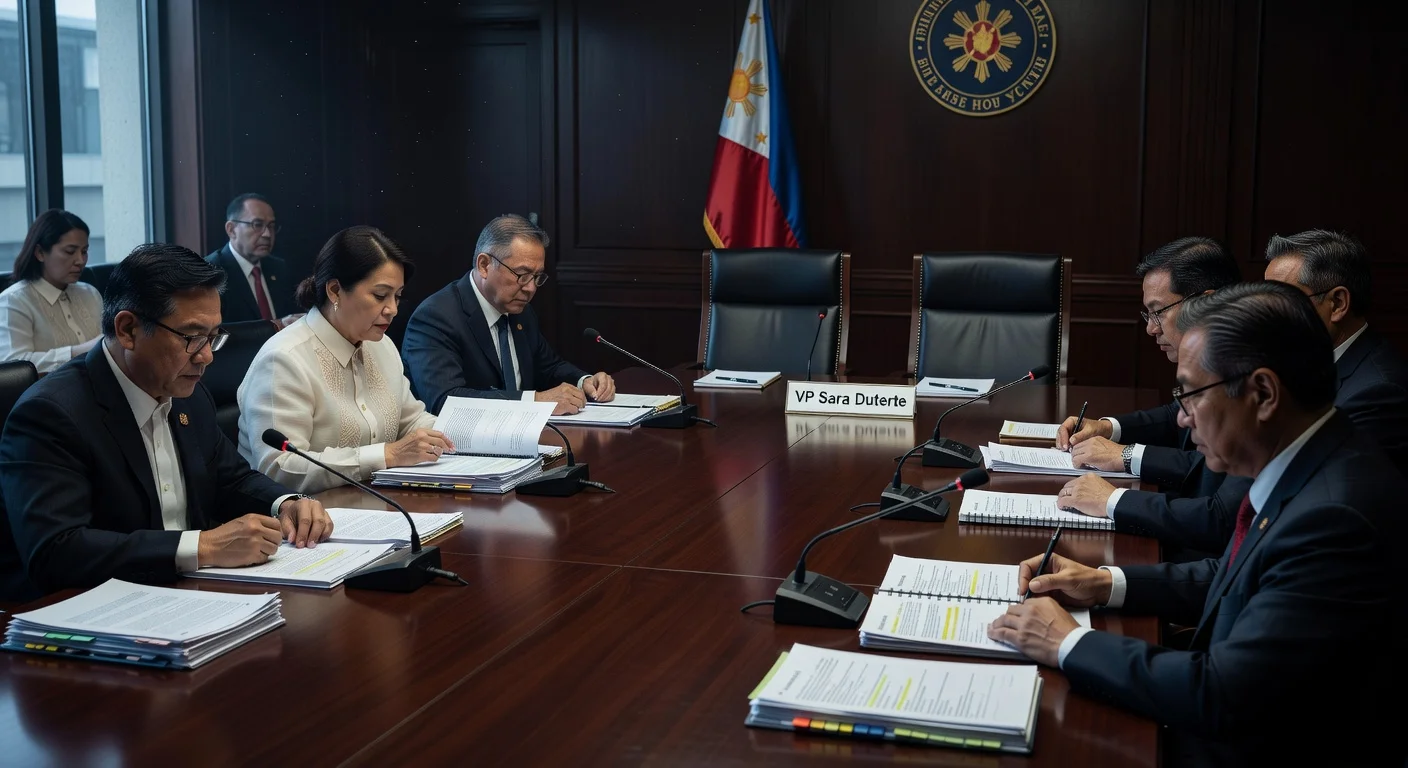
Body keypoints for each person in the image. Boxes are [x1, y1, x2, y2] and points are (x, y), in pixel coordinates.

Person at [990, 280, 1402, 766]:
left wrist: (1067, 641)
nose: (1183, 420)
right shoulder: (1315, 460)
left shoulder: (1334, 518)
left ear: (1263, 393)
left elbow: (1222, 695)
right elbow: (1235, 577)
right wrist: (1103, 583)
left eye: (1191, 395)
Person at [0, 244, 332, 601]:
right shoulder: (51, 414)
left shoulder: (188, 393)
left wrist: (285, 502)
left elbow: (230, 477)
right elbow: (57, 551)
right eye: (191, 337)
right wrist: (201, 546)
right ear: (128, 329)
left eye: (213, 337)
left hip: (191, 596)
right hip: (94, 615)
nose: (206, 356)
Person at [1052, 238, 1247, 555]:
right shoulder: (1212, 360)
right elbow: (1175, 415)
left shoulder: (1246, 371)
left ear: (1207, 303)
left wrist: (1123, 462)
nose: (1151, 329)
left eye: (1158, 313)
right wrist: (1107, 428)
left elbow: (1219, 514)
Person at [237, 226, 453, 494]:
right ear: (335, 290)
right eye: (379, 295)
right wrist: (385, 456)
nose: (393, 310)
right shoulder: (284, 359)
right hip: (301, 522)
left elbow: (411, 421)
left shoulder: (382, 345)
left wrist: (470, 437)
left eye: (397, 297)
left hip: (375, 503)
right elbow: (279, 467)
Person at [402, 214, 615, 415]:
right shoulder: (436, 317)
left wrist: (584, 382)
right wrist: (535, 401)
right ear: (484, 265)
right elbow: (445, 401)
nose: (531, 288)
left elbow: (548, 366)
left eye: (537, 276)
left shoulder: (520, 311)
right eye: (522, 275)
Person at [1264, 229, 1408, 473]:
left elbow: (1302, 477)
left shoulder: (1378, 393)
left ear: (1338, 303)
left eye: (1282, 301)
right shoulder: (1303, 358)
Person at [0, 209, 103, 373]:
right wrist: (80, 351)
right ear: (40, 253)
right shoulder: (13, 301)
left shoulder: (90, 293)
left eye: (84, 251)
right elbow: (14, 366)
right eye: (70, 251)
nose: (80, 260)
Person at [206, 193, 300, 327]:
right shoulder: (211, 271)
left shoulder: (279, 268)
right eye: (257, 224)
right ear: (231, 230)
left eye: (271, 226)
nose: (267, 234)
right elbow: (214, 334)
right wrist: (275, 326)